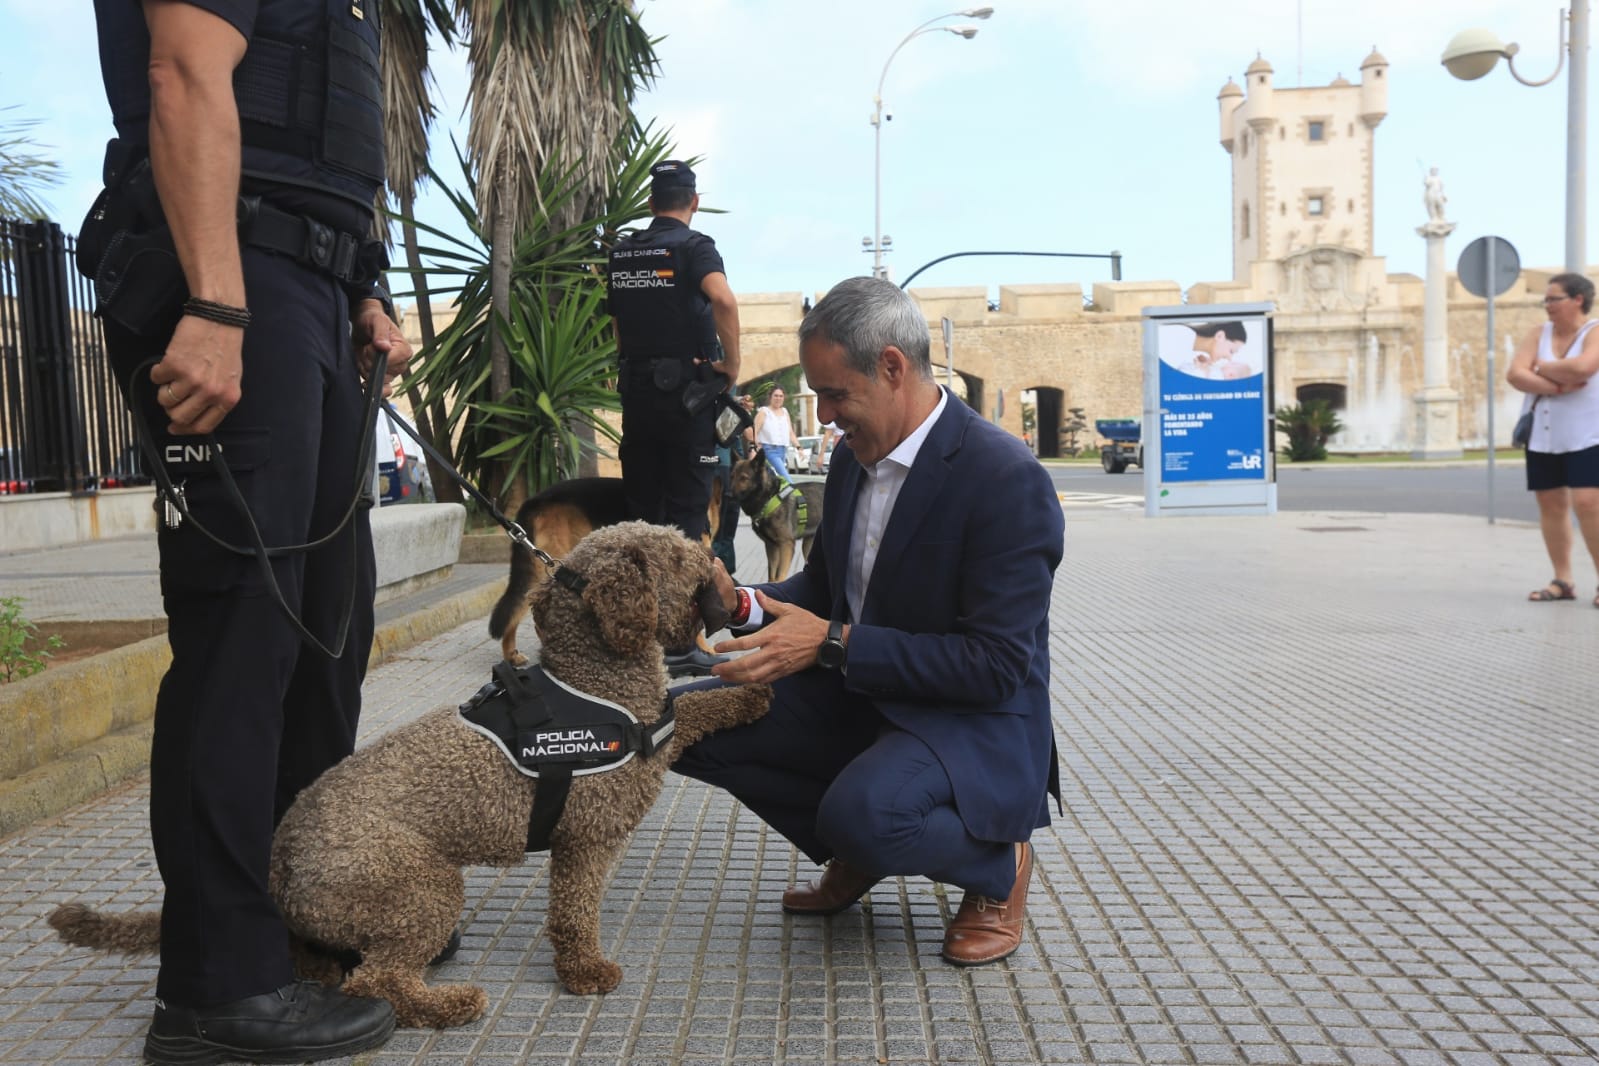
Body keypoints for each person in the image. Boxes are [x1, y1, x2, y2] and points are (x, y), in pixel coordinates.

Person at [86, 2, 409, 1062]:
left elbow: (321, 130)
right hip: (236, 277)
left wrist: (360, 282)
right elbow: (182, 75)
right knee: (244, 634)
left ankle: (300, 922)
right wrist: (220, 306)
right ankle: (216, 986)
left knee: (327, 627)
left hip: (308, 285)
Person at [675, 276, 1065, 967]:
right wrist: (742, 605)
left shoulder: (1003, 478)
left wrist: (832, 642)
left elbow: (997, 666)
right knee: (684, 724)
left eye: (833, 394)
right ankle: (859, 845)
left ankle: (995, 865)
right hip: (863, 688)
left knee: (865, 814)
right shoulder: (855, 462)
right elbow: (825, 591)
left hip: (966, 719)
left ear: (891, 367)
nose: (823, 415)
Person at [608, 159, 740, 675]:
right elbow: (723, 299)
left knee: (639, 518)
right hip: (686, 400)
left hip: (638, 398)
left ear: (649, 203)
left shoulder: (623, 253)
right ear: (694, 201)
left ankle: (636, 640)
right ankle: (683, 643)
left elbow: (619, 325)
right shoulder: (694, 246)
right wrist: (731, 365)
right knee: (687, 519)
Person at [1507, 272, 1599, 606]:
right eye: (1545, 300)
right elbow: (1515, 373)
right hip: (1544, 435)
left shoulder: (1595, 332)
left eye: (1554, 299)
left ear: (1577, 300)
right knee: (1550, 503)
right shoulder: (1538, 333)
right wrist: (1558, 386)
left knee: (1589, 503)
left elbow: (1585, 368)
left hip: (1589, 434)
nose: (1548, 306)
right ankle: (1563, 580)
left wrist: (1540, 367)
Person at [1177, 320, 1252, 380]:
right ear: (1220, 336)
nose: (1229, 358)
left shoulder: (1186, 346)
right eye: (1231, 351)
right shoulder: (1180, 335)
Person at [753, 385, 796, 480]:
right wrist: (756, 446)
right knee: (786, 478)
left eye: (781, 396)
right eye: (776, 395)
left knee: (777, 479)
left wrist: (799, 447)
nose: (778, 398)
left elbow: (791, 432)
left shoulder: (785, 412)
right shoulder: (764, 412)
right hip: (769, 450)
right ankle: (796, 494)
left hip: (783, 450)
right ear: (770, 397)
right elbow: (754, 431)